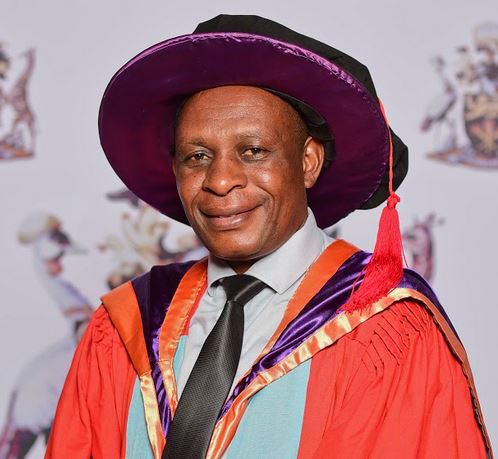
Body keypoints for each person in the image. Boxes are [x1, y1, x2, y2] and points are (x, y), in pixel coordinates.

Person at [46, 14, 492, 459]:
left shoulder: (384, 326)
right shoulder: (127, 324)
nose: (220, 181)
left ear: (308, 162)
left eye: (253, 151)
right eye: (197, 156)